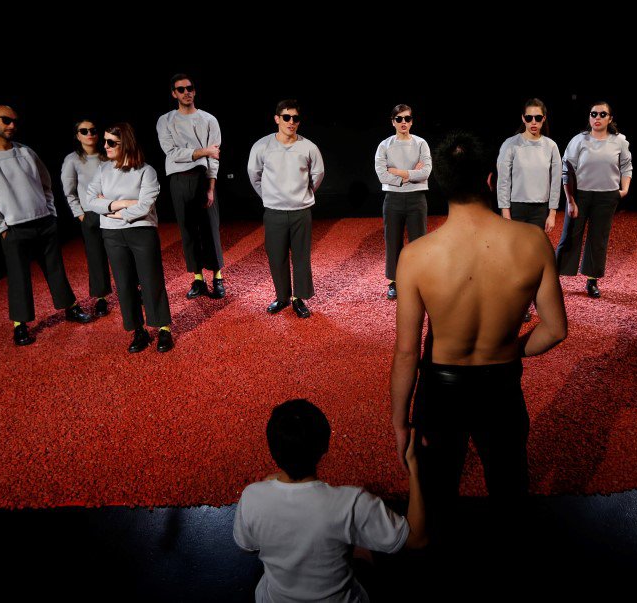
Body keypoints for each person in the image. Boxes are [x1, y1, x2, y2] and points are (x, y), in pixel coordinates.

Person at [389, 131, 567, 538]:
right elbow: (555, 329)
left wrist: (400, 422)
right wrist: (511, 348)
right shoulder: (532, 241)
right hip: (501, 385)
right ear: (490, 179)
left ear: (439, 182)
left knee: (437, 498)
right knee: (509, 492)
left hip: (441, 390)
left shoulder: (416, 256)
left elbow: (406, 352)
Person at [234, 399, 425, 602]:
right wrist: (415, 467)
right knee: (362, 553)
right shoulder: (351, 503)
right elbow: (417, 540)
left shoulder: (252, 497)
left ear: (273, 450)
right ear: (324, 446)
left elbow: (247, 546)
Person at [0, 105, 93, 346]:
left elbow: (45, 183)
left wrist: (50, 212)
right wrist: (1, 228)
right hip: (14, 227)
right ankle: (20, 324)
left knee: (55, 267)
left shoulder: (26, 151)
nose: (12, 125)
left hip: (43, 221)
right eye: (5, 120)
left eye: (14, 121)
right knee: (19, 276)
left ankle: (70, 307)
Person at [87, 123, 173, 353]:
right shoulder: (102, 170)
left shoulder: (146, 171)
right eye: (105, 141)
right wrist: (123, 204)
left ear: (125, 144)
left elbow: (144, 206)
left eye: (111, 142)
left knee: (151, 280)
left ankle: (163, 328)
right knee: (124, 284)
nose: (105, 146)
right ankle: (138, 331)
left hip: (142, 231)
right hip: (112, 234)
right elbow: (90, 200)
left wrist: (111, 210)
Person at [247, 100, 325, 319]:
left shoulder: (308, 147)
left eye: (295, 118)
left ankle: (298, 298)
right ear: (277, 119)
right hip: (274, 212)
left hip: (301, 211)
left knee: (301, 257)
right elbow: (254, 174)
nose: (291, 122)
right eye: (286, 117)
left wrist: (304, 193)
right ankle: (282, 297)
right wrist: (268, 196)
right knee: (276, 256)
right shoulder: (262, 146)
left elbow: (318, 174)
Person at [156, 74, 225, 301]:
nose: (186, 92)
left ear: (194, 91)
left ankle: (217, 277)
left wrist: (211, 187)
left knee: (210, 229)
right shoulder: (165, 120)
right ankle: (198, 279)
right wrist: (203, 151)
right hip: (178, 180)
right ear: (173, 93)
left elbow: (214, 158)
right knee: (188, 230)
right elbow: (172, 153)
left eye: (190, 88)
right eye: (181, 89)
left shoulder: (209, 120)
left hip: (203, 177)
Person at [555, 101, 633, 298]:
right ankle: (554, 278)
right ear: (589, 117)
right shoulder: (579, 140)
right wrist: (570, 200)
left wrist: (624, 189)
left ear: (610, 118)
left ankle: (592, 281)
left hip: (606, 197)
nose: (597, 117)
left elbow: (626, 165)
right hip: (580, 195)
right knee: (570, 236)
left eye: (602, 114)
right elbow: (567, 170)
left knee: (598, 239)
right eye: (594, 114)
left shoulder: (619, 141)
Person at [497, 98, 562, 321]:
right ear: (523, 119)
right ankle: (517, 302)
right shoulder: (511, 144)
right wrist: (505, 211)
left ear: (544, 119)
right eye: (529, 117)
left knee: (533, 259)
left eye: (537, 118)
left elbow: (555, 181)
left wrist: (552, 212)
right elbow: (503, 180)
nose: (533, 122)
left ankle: (531, 300)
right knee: (514, 257)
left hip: (539, 210)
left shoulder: (551, 146)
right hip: (516, 208)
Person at [374, 104, 432, 300]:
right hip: (393, 199)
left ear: (412, 121)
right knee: (393, 241)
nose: (403, 122)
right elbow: (382, 175)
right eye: (399, 119)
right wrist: (411, 174)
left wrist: (398, 172)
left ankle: (419, 281)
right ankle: (394, 281)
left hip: (417, 198)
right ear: (393, 122)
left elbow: (426, 172)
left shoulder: (421, 143)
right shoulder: (384, 145)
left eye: (407, 118)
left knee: (419, 242)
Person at [61, 119, 112, 318]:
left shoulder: (107, 155)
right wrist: (81, 214)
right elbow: (69, 191)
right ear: (77, 135)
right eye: (84, 131)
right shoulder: (72, 160)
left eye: (93, 130)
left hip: (112, 212)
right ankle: (101, 298)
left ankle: (135, 288)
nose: (89, 134)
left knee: (122, 253)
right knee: (96, 257)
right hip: (90, 215)